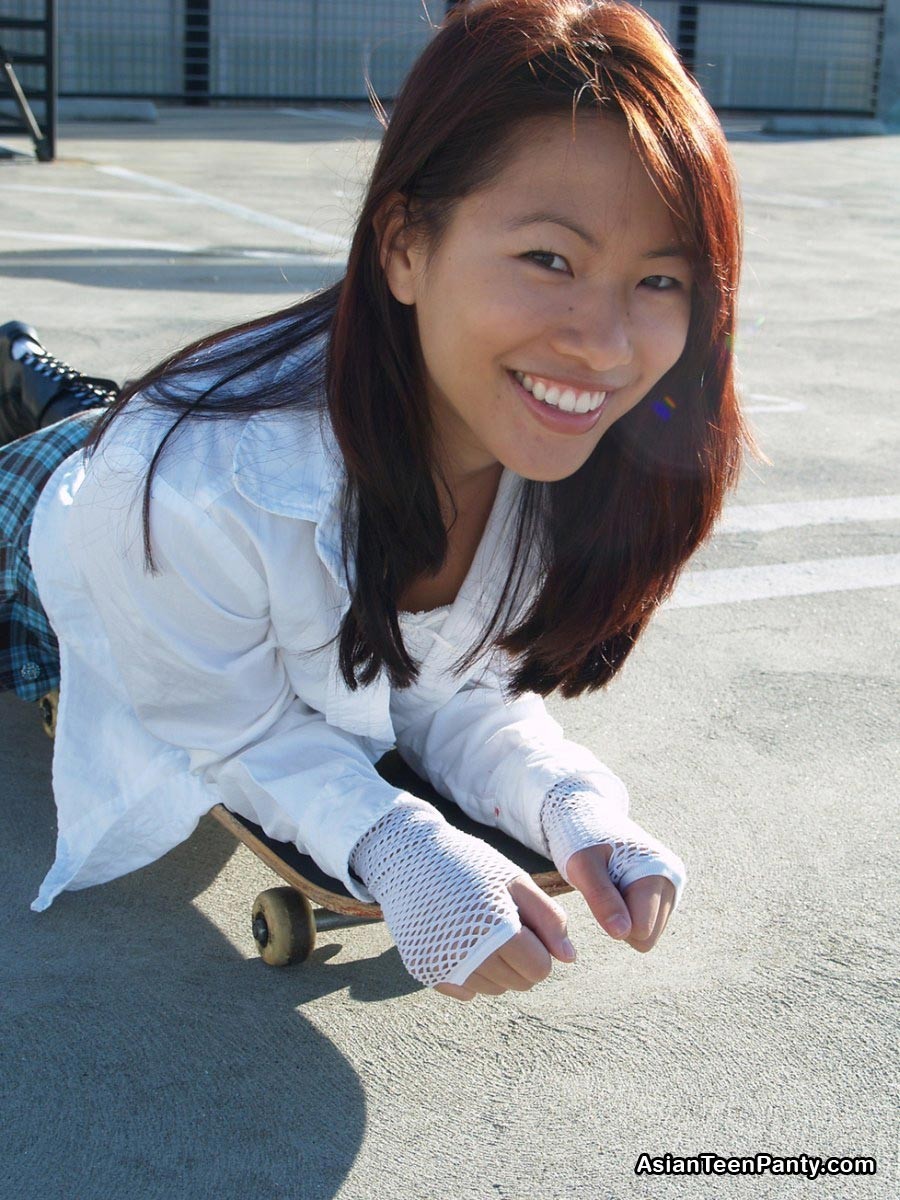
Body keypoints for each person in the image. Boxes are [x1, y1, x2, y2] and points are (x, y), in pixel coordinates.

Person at [0, 0, 752, 1000]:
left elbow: (457, 689)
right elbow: (230, 727)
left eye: (660, 278)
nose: (609, 347)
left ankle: (35, 369)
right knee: (77, 438)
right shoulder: (192, 485)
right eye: (549, 259)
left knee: (91, 407)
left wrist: (574, 806)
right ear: (403, 245)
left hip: (208, 446)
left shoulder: (562, 456)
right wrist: (395, 843)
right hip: (64, 524)